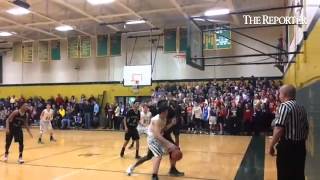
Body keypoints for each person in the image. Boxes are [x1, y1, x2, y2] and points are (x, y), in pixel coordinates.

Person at [127, 100, 181, 179]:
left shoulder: (164, 117)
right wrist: (169, 144)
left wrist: (171, 124)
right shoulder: (156, 119)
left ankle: (132, 167)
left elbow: (163, 130)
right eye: (166, 110)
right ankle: (154, 176)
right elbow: (157, 135)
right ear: (162, 112)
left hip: (158, 137)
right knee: (158, 155)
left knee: (148, 156)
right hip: (152, 139)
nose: (167, 112)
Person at [269, 85, 309, 180]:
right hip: (300, 146)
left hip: (287, 147)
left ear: (284, 94)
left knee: (284, 174)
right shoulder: (301, 107)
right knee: (298, 174)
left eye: (279, 93)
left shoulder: (284, 106)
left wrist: (271, 146)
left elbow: (279, 129)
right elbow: (306, 128)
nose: (278, 96)